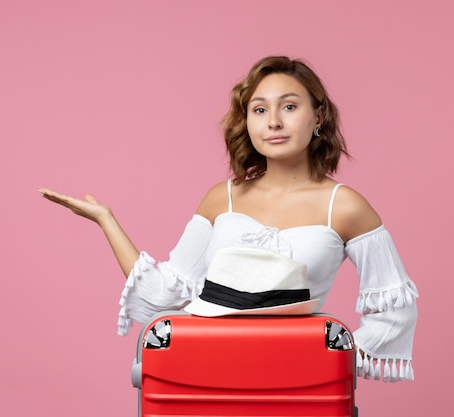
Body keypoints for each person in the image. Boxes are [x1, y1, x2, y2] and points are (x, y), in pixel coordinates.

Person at [39, 56, 419, 382]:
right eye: (259, 109)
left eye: (289, 107)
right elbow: (165, 293)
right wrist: (106, 220)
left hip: (298, 383)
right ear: (248, 121)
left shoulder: (347, 206)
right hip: (208, 374)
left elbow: (395, 307)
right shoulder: (223, 198)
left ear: (317, 116)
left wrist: (331, 364)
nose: (273, 121)